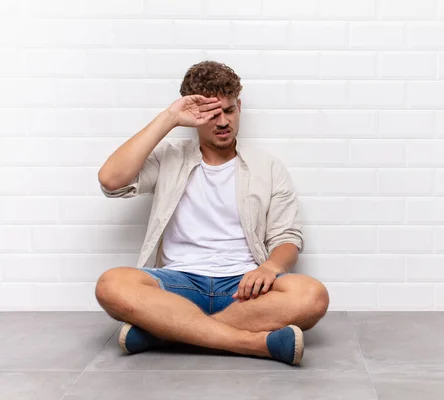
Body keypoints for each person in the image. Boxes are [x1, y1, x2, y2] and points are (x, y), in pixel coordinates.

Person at [94, 61, 329, 366]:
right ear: (193, 117)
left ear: (239, 107)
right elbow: (111, 181)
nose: (222, 122)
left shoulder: (267, 167)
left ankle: (169, 330)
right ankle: (252, 343)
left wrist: (270, 268)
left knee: (312, 295)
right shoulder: (169, 159)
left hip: (243, 287)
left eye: (229, 111)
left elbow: (287, 237)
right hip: (178, 283)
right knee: (110, 284)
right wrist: (169, 118)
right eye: (211, 114)